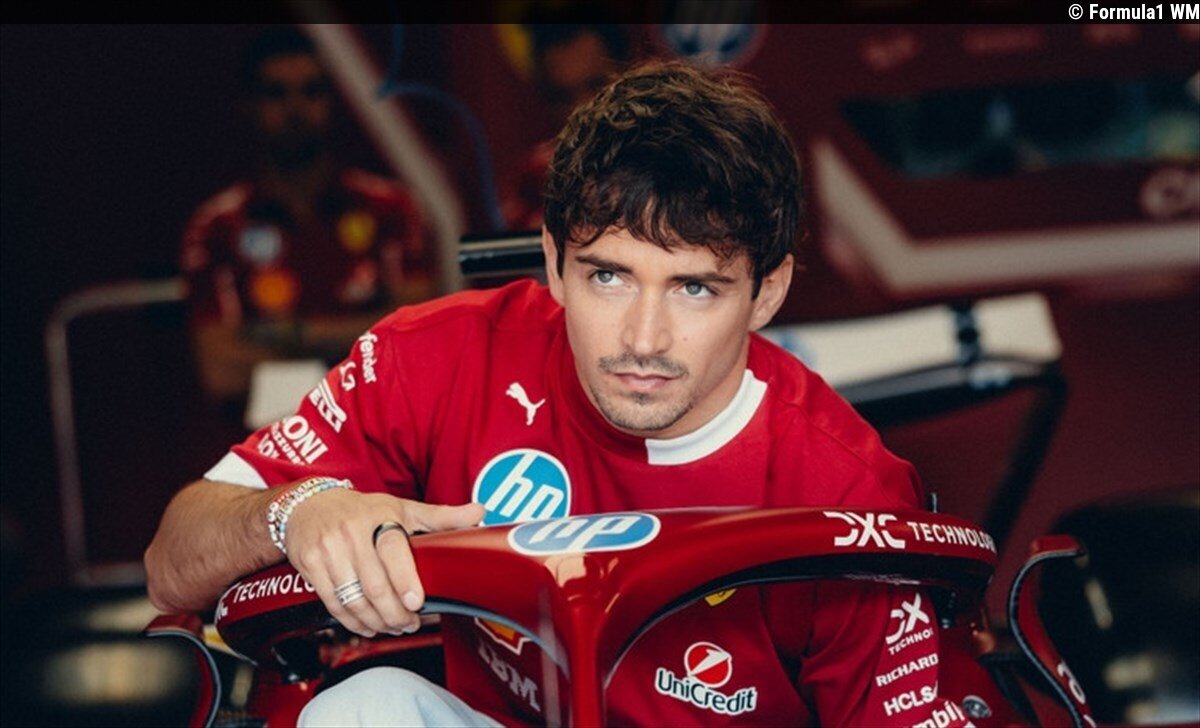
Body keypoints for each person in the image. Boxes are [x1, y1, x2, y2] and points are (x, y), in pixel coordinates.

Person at [147, 61, 969, 726]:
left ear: (768, 293)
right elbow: (171, 564)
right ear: (552, 262)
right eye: (608, 276)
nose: (643, 338)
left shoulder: (847, 491)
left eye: (694, 288)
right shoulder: (438, 358)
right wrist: (297, 512)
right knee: (361, 710)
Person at [181, 28, 436, 404]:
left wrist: (293, 334)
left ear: (332, 100)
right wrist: (356, 339)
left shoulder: (389, 207)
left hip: (377, 425)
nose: (295, 109)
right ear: (248, 104)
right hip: (265, 432)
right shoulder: (217, 226)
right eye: (277, 93)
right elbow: (220, 371)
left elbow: (416, 337)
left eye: (311, 91)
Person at [501, 22, 628, 230]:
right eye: (562, 97)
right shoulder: (533, 180)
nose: (580, 109)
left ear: (631, 75)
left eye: (596, 86)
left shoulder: (671, 158)